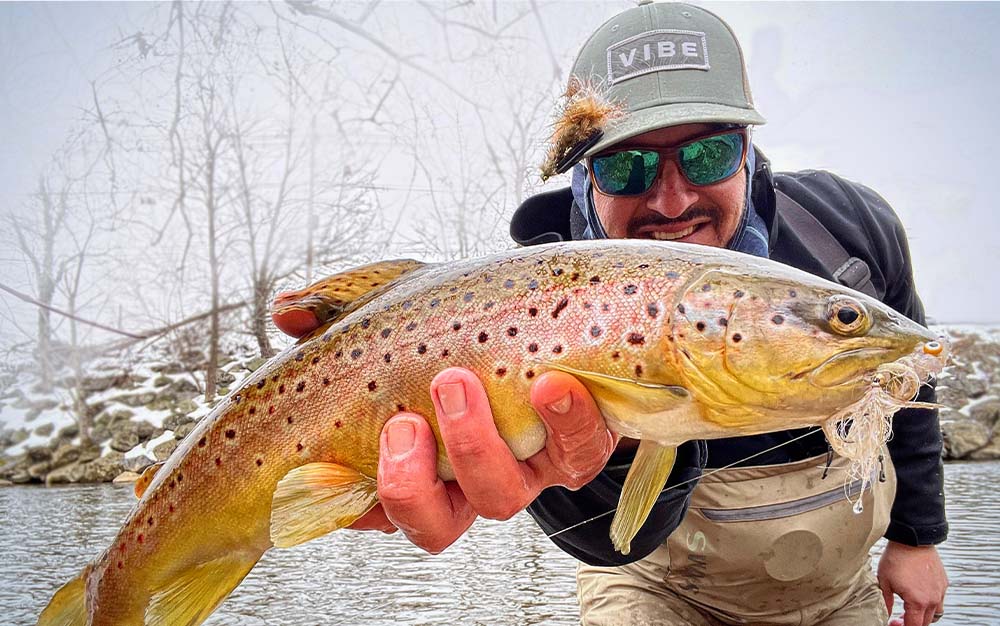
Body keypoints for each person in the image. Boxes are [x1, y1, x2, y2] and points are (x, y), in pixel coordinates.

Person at [308, 2, 948, 625]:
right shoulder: (531, 311)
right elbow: (611, 542)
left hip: (842, 591)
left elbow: (911, 381)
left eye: (706, 156)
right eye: (626, 166)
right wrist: (611, 441)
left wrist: (918, 537)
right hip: (650, 584)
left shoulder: (850, 235)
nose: (671, 200)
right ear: (585, 177)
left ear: (747, 150)